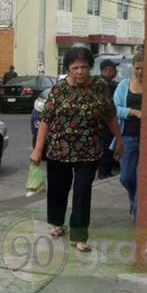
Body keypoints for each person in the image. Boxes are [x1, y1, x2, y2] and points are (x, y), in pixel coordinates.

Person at [31, 47, 124, 253]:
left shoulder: (100, 87)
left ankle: (80, 236)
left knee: (82, 192)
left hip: (89, 150)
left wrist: (119, 140)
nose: (80, 71)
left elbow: (110, 115)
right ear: (68, 69)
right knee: (58, 189)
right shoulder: (59, 89)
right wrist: (38, 149)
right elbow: (45, 120)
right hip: (58, 149)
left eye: (84, 67)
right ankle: (57, 223)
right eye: (75, 68)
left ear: (90, 67)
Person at [113, 51, 144, 223]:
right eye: (137, 68)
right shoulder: (124, 85)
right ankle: (133, 201)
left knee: (142, 177)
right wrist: (134, 112)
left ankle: (138, 211)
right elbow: (114, 108)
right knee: (127, 177)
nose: (140, 72)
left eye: (144, 69)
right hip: (128, 137)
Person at [98, 60, 119, 179]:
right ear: (106, 70)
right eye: (113, 69)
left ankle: (105, 170)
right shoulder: (104, 84)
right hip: (106, 121)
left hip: (106, 120)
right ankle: (103, 172)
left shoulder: (109, 83)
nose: (115, 72)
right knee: (107, 146)